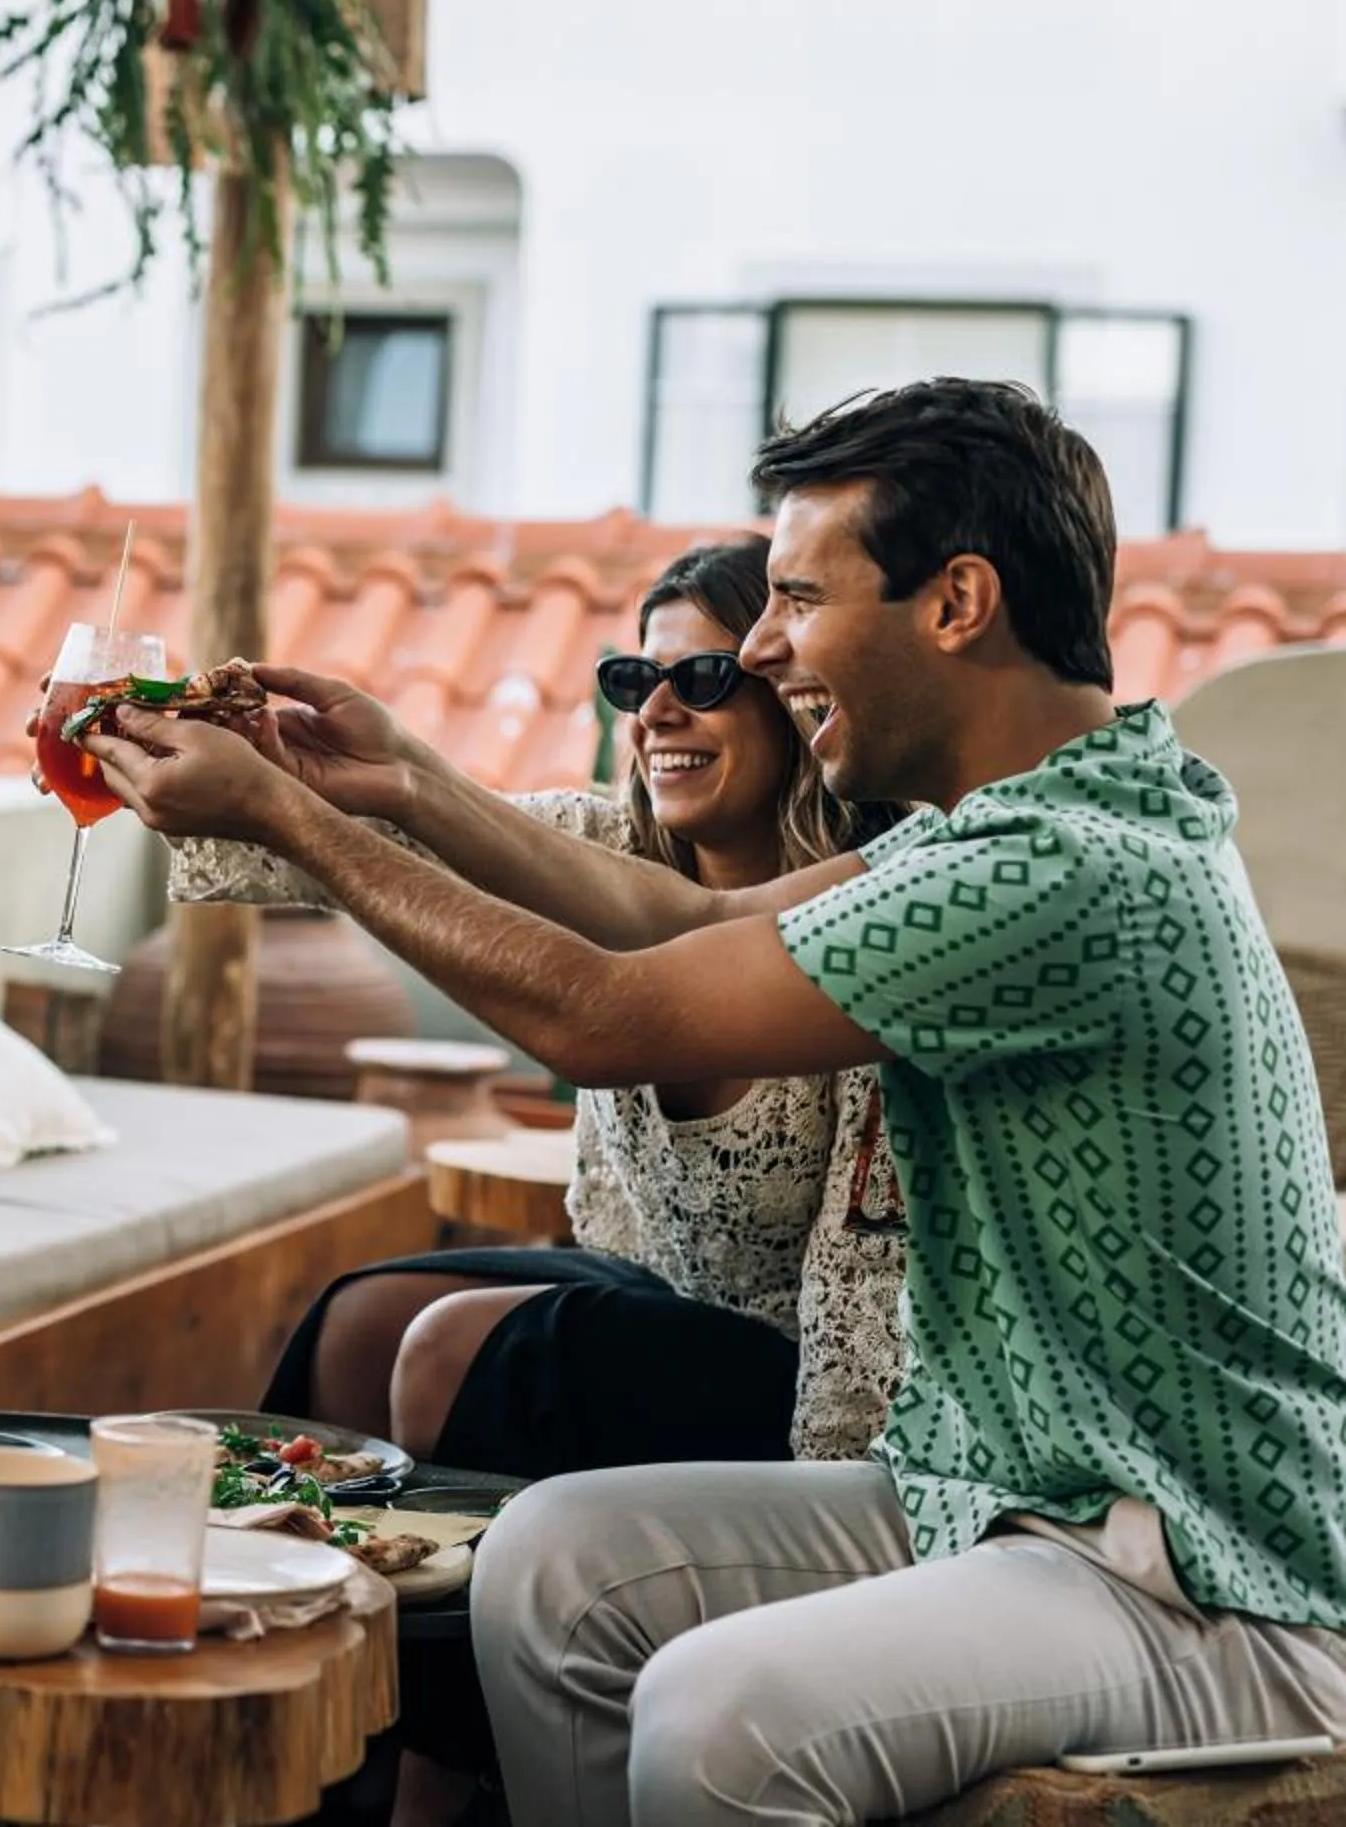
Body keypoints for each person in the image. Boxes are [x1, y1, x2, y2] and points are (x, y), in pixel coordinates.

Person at [85, 379, 1346, 1826]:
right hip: (998, 1493)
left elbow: (602, 1012)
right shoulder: (1036, 821)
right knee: (550, 1555)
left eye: (798, 596)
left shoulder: (1064, 875)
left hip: (1200, 1579)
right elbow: (657, 920)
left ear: (959, 601)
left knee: (715, 1710)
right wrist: (405, 784)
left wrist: (290, 816)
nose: (756, 645)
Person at [264, 537, 908, 1482]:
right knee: (357, 1323)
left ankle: (469, 1611)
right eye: (634, 678)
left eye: (701, 676)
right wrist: (187, 757)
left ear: (793, 696)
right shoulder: (603, 849)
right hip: (670, 1292)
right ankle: (320, 1584)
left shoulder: (879, 900)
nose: (654, 712)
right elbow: (370, 833)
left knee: (474, 1351)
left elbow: (870, 1312)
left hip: (827, 1366)